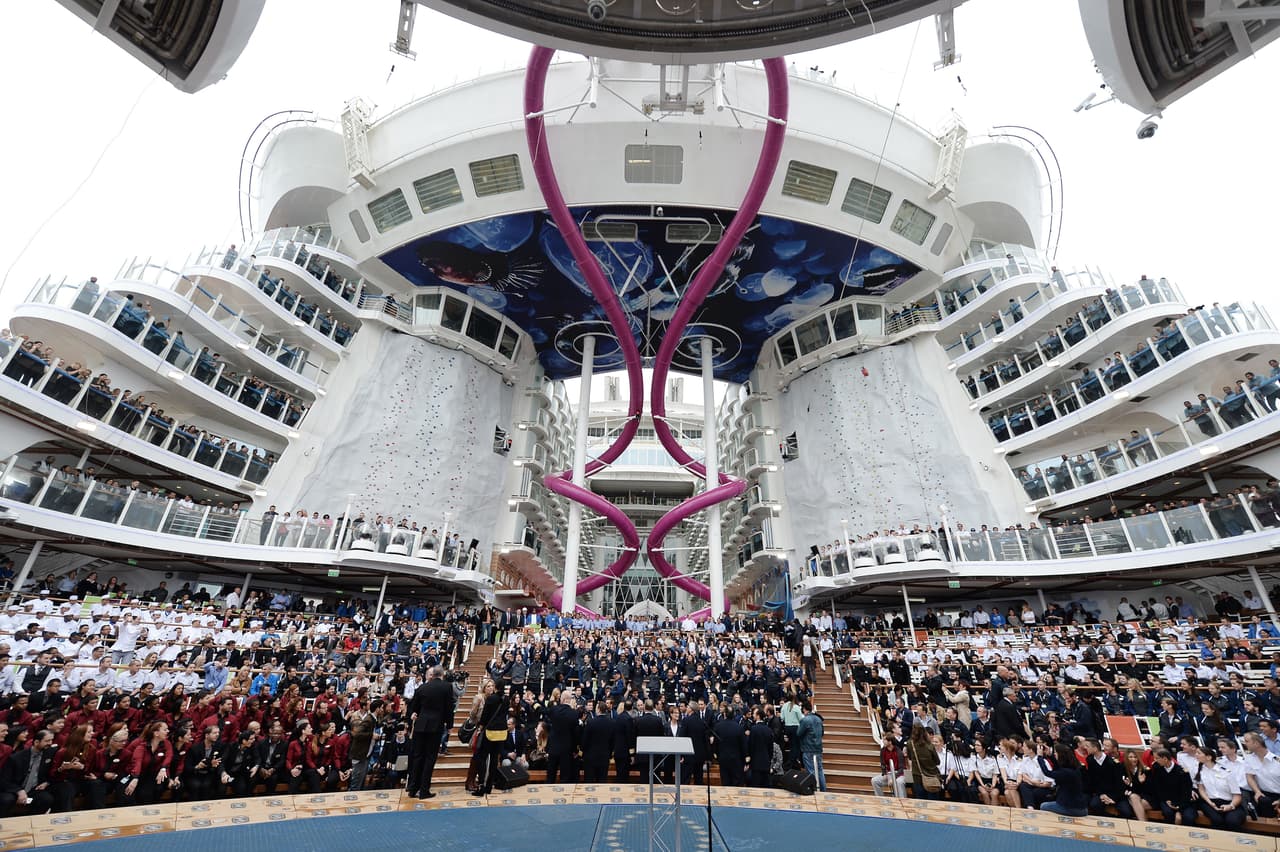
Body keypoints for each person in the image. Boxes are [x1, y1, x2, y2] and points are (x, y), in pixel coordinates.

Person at [406, 666, 454, 799]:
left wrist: (414, 714)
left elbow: (414, 707)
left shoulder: (422, 687)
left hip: (421, 725)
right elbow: (449, 708)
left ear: (432, 675)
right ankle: (424, 790)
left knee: (418, 756)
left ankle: (412, 788)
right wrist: (450, 725)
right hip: (435, 726)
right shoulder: (446, 687)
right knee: (430, 757)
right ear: (442, 674)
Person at [472, 677, 509, 796]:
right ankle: (489, 786)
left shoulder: (491, 698)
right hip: (502, 732)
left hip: (490, 732)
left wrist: (480, 727)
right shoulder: (506, 699)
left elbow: (485, 716)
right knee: (494, 760)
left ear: (496, 687)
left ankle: (481, 785)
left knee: (481, 757)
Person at [796, 698, 826, 792]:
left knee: (810, 771)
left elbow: (798, 733)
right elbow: (822, 733)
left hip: (808, 749)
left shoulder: (805, 720)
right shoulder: (819, 719)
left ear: (804, 709)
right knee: (820, 770)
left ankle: (814, 790)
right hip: (818, 748)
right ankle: (823, 790)